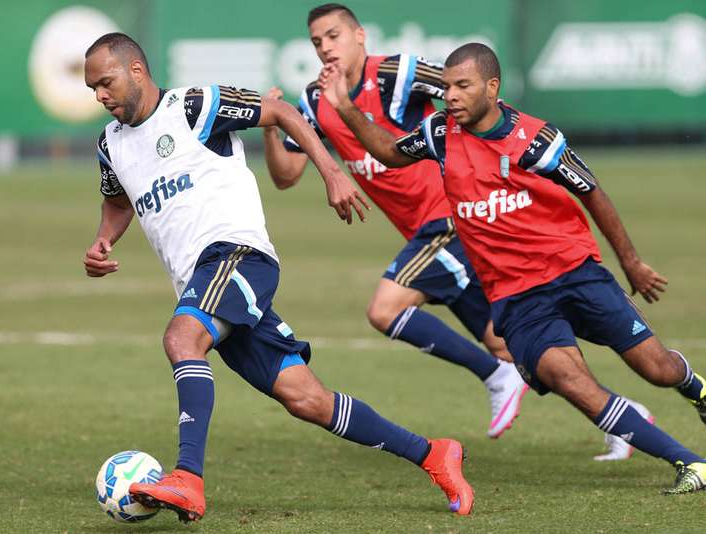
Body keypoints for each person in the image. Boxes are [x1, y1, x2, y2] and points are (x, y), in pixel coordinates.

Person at [82, 32, 475, 523]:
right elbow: (118, 201)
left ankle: (187, 476)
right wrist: (104, 240)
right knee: (306, 398)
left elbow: (283, 112)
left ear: (136, 70)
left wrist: (331, 172)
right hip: (204, 282)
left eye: (106, 82)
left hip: (237, 255)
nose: (100, 95)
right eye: (93, 88)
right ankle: (435, 454)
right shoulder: (110, 144)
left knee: (182, 338)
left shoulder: (195, 106)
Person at [319, 42, 706, 494]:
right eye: (446, 88)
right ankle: (690, 461)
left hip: (575, 272)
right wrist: (344, 107)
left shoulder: (536, 139)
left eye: (463, 86)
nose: (452, 97)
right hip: (517, 298)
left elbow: (592, 191)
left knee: (657, 368)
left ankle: (697, 389)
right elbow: (389, 151)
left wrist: (631, 262)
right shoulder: (439, 134)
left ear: (492, 87)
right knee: (569, 379)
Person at [263, 2, 527, 439]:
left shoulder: (398, 73)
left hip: (453, 220)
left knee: (385, 309)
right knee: (508, 342)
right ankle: (619, 415)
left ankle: (495, 376)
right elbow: (286, 176)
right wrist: (272, 127)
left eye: (334, 36)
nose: (326, 47)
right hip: (427, 235)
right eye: (316, 42)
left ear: (360, 35)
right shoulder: (313, 100)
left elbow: (474, 98)